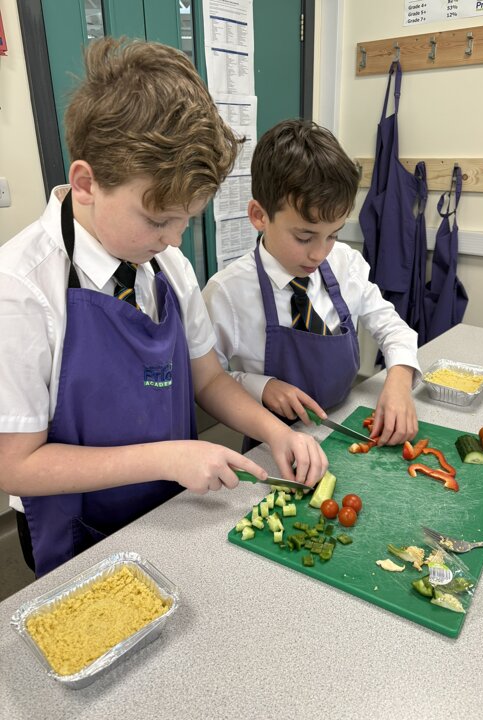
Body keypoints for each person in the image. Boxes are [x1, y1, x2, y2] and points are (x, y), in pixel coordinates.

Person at [0, 39, 326, 578]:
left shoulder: (166, 267)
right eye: (157, 220)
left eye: (186, 220)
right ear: (86, 183)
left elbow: (209, 379)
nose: (174, 240)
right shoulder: (20, 290)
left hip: (170, 509)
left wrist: (276, 432)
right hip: (79, 534)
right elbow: (15, 465)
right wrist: (167, 456)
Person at [202, 119, 421, 449]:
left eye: (332, 235)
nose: (319, 253)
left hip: (343, 425)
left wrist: (400, 380)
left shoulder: (345, 264)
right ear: (259, 216)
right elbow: (208, 380)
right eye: (304, 237)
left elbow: (393, 328)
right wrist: (261, 386)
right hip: (272, 444)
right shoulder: (227, 293)